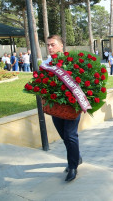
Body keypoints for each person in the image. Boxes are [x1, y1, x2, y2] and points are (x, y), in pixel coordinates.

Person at [45, 35, 82, 182]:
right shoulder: (46, 63)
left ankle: (72, 167)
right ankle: (76, 157)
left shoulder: (71, 62)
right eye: (48, 45)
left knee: (70, 135)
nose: (49, 47)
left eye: (52, 45)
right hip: (56, 107)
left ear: (61, 46)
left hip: (72, 106)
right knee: (64, 135)